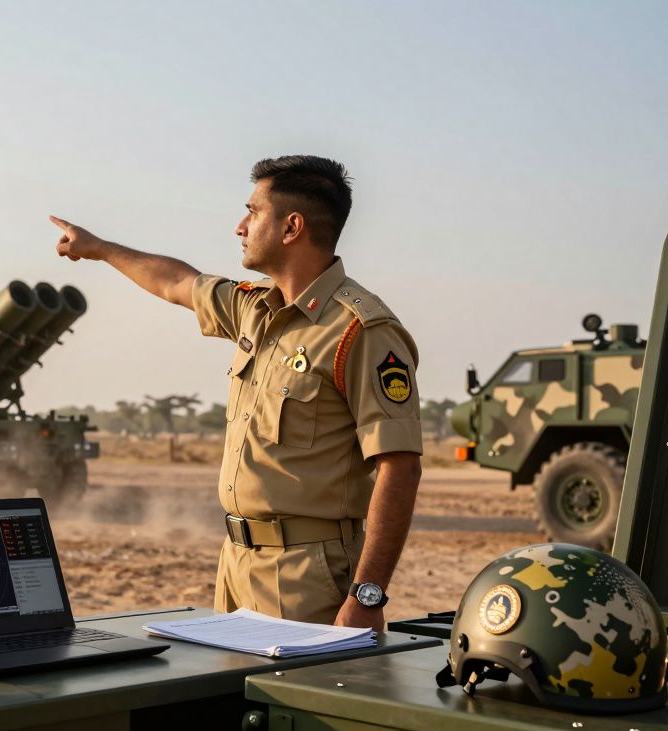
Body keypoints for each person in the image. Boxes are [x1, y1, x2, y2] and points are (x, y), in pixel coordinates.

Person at [49, 155, 422, 629]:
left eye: (253, 212)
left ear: (292, 227)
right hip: (235, 563)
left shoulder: (360, 330)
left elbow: (400, 467)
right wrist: (99, 248)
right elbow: (177, 282)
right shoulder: (255, 309)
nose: (240, 226)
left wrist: (368, 596)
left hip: (307, 574)